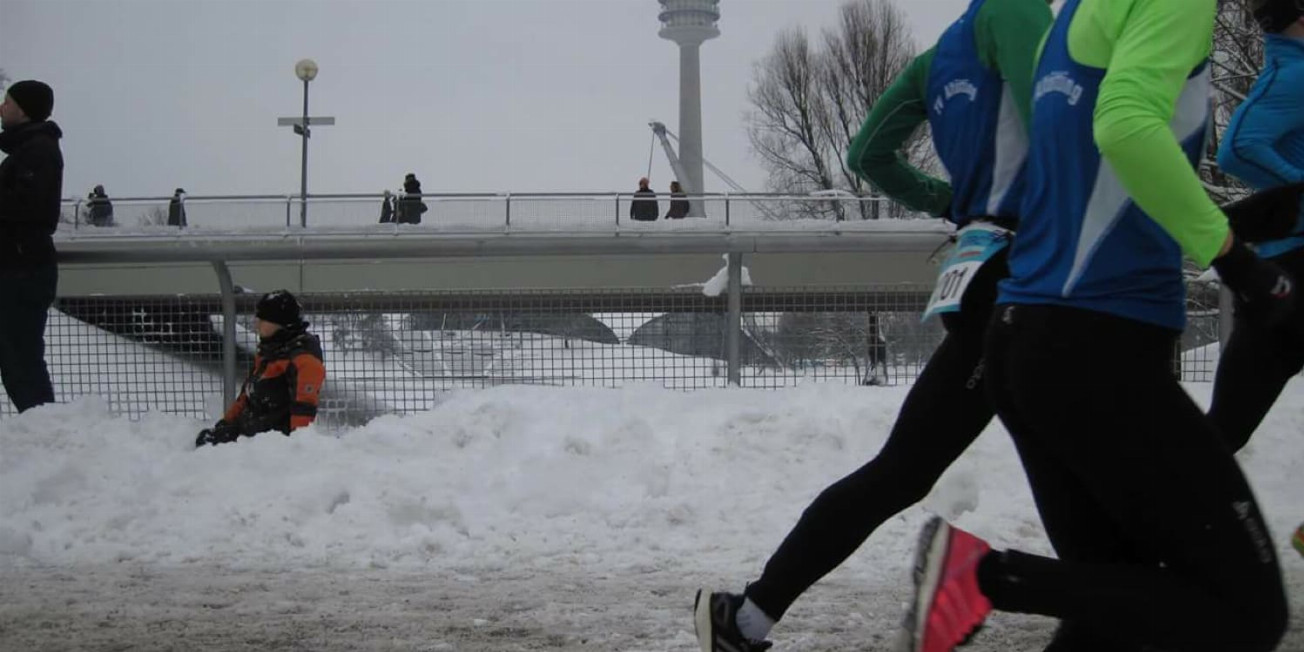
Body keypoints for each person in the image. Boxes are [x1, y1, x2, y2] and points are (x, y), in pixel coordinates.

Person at [899, 1, 1290, 651]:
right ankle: (983, 576)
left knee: (1116, 606)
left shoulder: (1075, 17)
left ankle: (982, 576)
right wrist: (1237, 262)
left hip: (1026, 342)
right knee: (1248, 613)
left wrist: (1235, 225)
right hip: (1098, 351)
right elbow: (1127, 129)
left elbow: (1091, 186)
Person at [691, 0, 1054, 649]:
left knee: (906, 470)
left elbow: (868, 153)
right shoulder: (1020, 14)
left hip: (983, 265)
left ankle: (747, 617)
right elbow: (1057, 131)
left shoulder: (936, 60)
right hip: (1036, 273)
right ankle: (998, 579)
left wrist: (949, 201)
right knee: (1089, 465)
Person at [1207, 0, 1304, 452]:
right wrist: (1297, 188)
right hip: (1290, 267)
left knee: (1223, 432)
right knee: (1222, 433)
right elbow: (1238, 148)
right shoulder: (1294, 74)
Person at [0, 80, 62, 412]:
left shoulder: (38, 150)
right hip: (20, 267)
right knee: (18, 360)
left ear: (22, 109)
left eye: (6, 102)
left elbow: (29, 208)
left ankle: (44, 431)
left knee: (21, 361)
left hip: (22, 271)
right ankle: (41, 430)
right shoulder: (32, 149)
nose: (1, 108)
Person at [196, 290, 325, 447]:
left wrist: (296, 451)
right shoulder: (270, 352)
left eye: (262, 319)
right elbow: (246, 396)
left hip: (272, 447)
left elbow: (303, 414)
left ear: (279, 323)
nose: (256, 324)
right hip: (251, 437)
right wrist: (225, 423)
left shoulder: (303, 361)